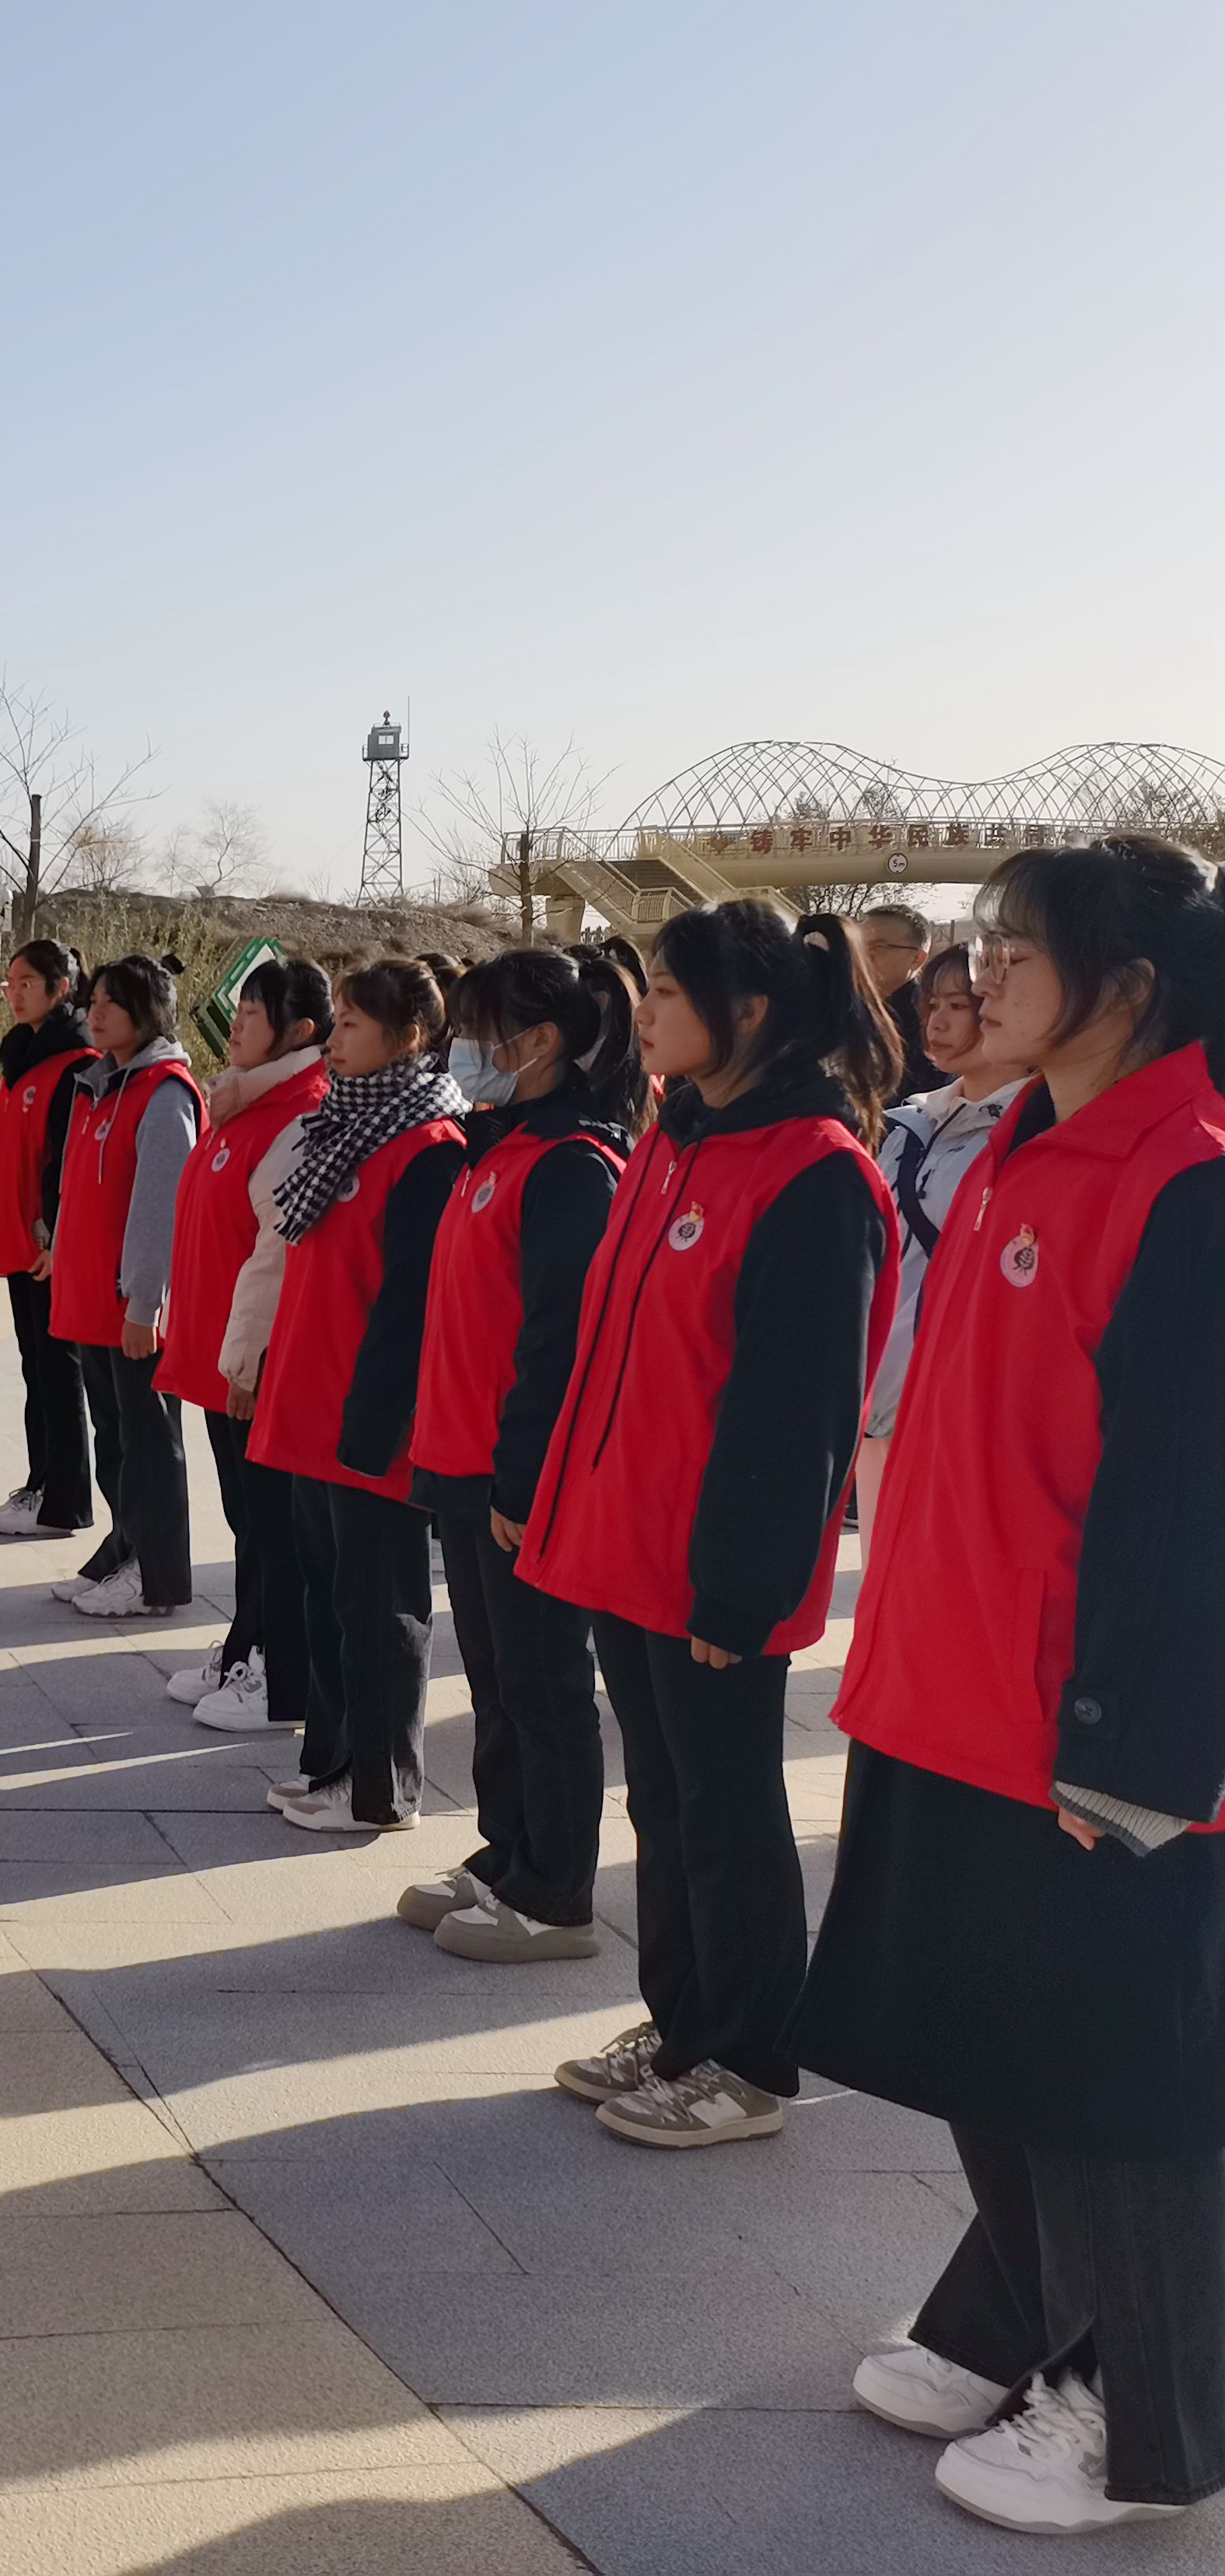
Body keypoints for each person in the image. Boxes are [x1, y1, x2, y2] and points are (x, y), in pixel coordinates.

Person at [798, 838, 1225, 2536]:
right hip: (948, 1677)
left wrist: (1136, 1743)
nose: (978, 977)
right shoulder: (1014, 1139)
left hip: (1079, 1719)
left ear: (1131, 983)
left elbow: (1184, 1504)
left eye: (1018, 951)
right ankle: (1011, 2323)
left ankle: (1139, 2420)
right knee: (980, 2035)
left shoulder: (1187, 1176)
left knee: (1112, 2084)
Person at [520, 900, 896, 2149]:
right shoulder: (676, 1138)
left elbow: (799, 1408)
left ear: (753, 1011)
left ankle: (749, 2056)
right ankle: (681, 2021)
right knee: (669, 1804)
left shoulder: (813, 1173)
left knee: (728, 1813)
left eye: (672, 992)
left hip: (713, 1567)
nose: (647, 1012)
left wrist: (742, 1586)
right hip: (628, 1544)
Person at [400, 946, 642, 1960]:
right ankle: (509, 1850)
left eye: (477, 1031)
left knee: (545, 1683)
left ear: (540, 1041)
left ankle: (558, 1890)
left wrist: (525, 1477)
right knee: (497, 1683)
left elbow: (559, 1341)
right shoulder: (496, 1149)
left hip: (519, 1475)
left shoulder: (573, 1165)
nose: (459, 1049)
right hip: (462, 1460)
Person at [250, 962, 466, 1834]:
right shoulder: (341, 1126)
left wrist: (377, 1423)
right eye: (334, 1021)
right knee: (328, 1596)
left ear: (408, 1036)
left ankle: (380, 1787)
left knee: (379, 1607)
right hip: (311, 1404)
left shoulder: (430, 1146)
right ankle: (333, 1761)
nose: (334, 1039)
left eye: (350, 1024)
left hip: (368, 1420)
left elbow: (411, 1305)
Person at [156, 954, 330, 1728]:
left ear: (299, 1030)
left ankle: (277, 1673)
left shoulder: (298, 1112)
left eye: (254, 1014)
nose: (237, 1025)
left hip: (252, 1359)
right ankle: (245, 1648)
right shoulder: (242, 1103)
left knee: (271, 1524)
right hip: (217, 1349)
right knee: (246, 1518)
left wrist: (251, 1356)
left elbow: (278, 1254)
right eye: (241, 1010)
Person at [47, 957, 203, 1617]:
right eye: (95, 999)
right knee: (115, 1440)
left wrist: (146, 1300)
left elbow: (162, 1208)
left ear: (149, 1010)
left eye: (112, 1001)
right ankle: (124, 1548)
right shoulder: (97, 1086)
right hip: (92, 1302)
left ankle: (156, 1575)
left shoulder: (164, 1094)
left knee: (149, 1445)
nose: (97, 1010)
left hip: (133, 1309)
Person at [856, 943, 1025, 1530]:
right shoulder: (906, 1124)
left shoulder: (1032, 1135)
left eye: (960, 1004)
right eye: (932, 1004)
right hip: (877, 1397)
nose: (938, 1021)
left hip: (960, 1405)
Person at [0, 942, 100, 1540]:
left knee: (57, 1373)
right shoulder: (23, 1056)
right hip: (23, 1244)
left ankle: (61, 1499)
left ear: (61, 988)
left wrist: (59, 1235)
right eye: (10, 982)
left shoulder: (75, 1064)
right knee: (37, 1369)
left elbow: (69, 1161)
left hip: (49, 1247)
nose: (14, 992)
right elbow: (14, 1138)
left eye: (27, 982)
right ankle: (42, 1483)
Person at [863, 901, 943, 1101]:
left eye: (878, 947)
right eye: (857, 946)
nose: (864, 955)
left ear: (917, 958)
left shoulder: (931, 1019)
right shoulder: (843, 1007)